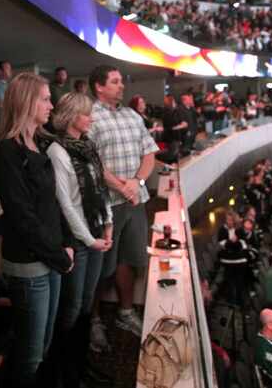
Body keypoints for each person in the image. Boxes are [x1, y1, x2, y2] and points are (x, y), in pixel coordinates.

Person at [0, 72, 74, 388]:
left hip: (49, 259)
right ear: (26, 102)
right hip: (29, 266)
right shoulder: (7, 153)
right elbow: (23, 219)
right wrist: (60, 255)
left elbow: (51, 206)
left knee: (44, 344)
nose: (51, 105)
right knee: (29, 357)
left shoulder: (37, 143)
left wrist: (65, 245)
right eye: (45, 98)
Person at [86, 65, 159, 348]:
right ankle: (93, 320)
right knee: (102, 268)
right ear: (99, 87)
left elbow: (150, 154)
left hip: (135, 201)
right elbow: (92, 163)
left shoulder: (132, 115)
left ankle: (125, 312)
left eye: (121, 81)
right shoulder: (89, 118)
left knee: (129, 259)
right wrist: (123, 186)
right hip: (107, 206)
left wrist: (138, 183)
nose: (121, 86)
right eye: (114, 82)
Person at [46, 92, 113, 387]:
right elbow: (66, 204)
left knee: (87, 306)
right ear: (73, 117)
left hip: (97, 233)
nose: (92, 118)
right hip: (78, 241)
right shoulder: (57, 151)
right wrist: (88, 239)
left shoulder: (88, 145)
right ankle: (66, 372)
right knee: (72, 309)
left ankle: (82, 367)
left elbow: (100, 188)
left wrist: (108, 222)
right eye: (87, 114)